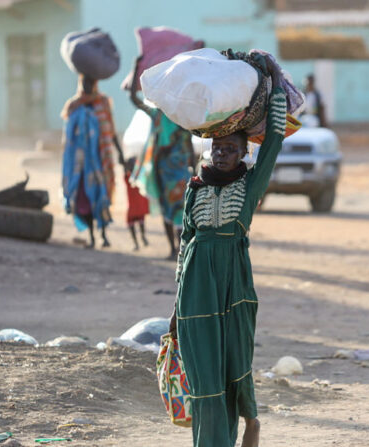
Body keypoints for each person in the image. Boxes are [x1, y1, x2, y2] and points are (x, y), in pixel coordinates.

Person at [170, 56, 300, 447]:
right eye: (216, 147)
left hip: (233, 281)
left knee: (234, 362)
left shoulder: (251, 185)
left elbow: (274, 140)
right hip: (195, 287)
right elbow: (184, 245)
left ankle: (251, 422)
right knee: (203, 373)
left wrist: (275, 84)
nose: (221, 153)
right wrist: (176, 308)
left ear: (243, 153)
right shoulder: (196, 188)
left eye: (230, 148)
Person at [129, 63, 196, 259]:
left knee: (179, 211)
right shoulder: (160, 115)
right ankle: (174, 250)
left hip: (179, 171)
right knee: (169, 210)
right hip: (163, 171)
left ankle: (180, 250)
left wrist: (194, 167)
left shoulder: (181, 117)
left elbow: (189, 144)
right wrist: (136, 68)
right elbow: (134, 98)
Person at [61, 74, 125, 249]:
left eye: (90, 81)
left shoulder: (103, 103)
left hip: (101, 161)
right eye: (85, 82)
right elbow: (67, 138)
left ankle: (103, 234)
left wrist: (120, 153)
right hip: (80, 165)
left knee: (101, 195)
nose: (88, 85)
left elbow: (111, 131)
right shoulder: (73, 106)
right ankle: (91, 236)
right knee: (85, 199)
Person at [123, 157, 150, 250]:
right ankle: (142, 238)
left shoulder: (129, 178)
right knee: (140, 223)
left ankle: (137, 242)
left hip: (134, 207)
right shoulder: (135, 177)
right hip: (138, 207)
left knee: (132, 224)